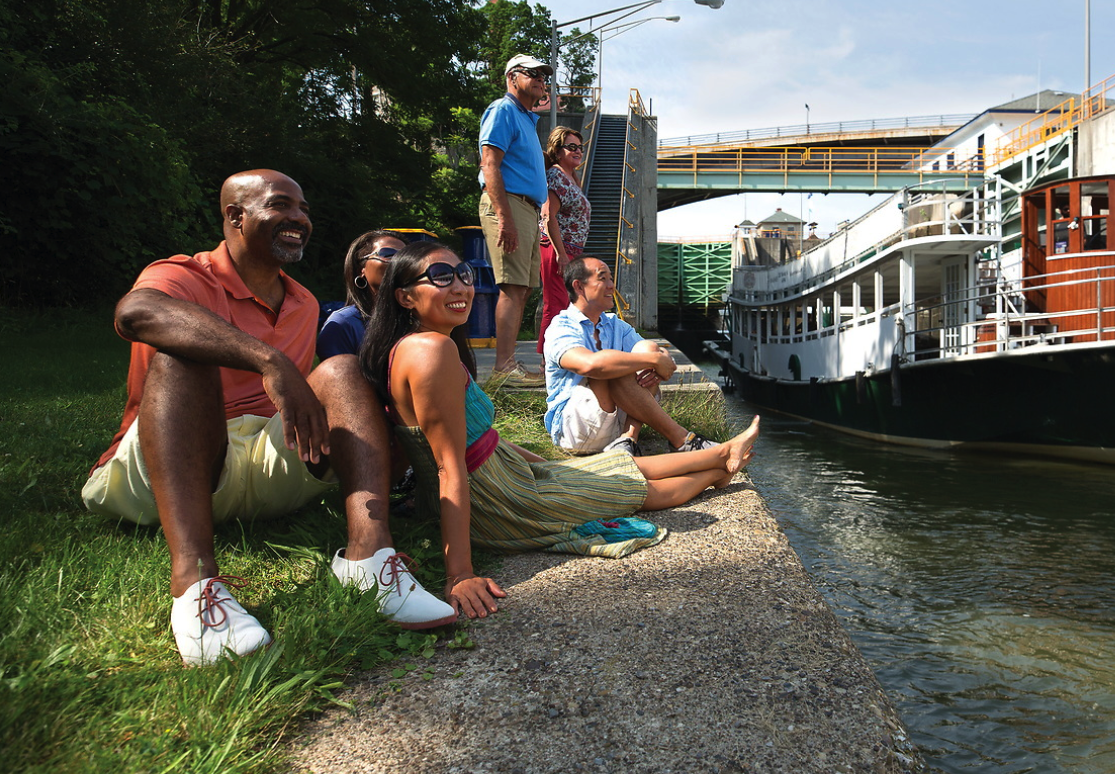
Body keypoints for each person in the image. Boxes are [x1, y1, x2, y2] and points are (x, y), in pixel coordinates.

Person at [81, 170, 455, 667]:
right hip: (167, 469)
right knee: (180, 356)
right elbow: (135, 312)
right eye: (281, 205)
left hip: (264, 459)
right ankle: (196, 589)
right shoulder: (184, 274)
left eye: (303, 209)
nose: (299, 218)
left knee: (342, 369)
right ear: (235, 216)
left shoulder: (301, 302)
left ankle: (370, 560)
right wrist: (268, 359)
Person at [358, 241, 760, 619]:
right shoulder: (432, 351)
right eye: (441, 276)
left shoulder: (417, 345)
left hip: (502, 473)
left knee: (594, 471)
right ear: (405, 296)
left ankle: (720, 455)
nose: (460, 285)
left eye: (462, 274)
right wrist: (459, 574)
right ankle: (718, 468)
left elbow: (473, 441)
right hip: (496, 499)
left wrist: (536, 465)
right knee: (621, 489)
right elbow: (449, 467)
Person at [543, 257, 719, 457]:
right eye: (603, 279)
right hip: (575, 429)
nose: (612, 285)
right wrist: (652, 361)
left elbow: (661, 359)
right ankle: (680, 438)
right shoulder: (561, 327)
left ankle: (628, 440)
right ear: (579, 287)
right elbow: (590, 366)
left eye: (611, 278)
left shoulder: (614, 324)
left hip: (616, 422)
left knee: (647, 347)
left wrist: (655, 361)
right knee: (611, 364)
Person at [478, 53, 552, 386]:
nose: (540, 79)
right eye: (533, 73)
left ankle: (508, 365)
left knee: (521, 289)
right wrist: (505, 218)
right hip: (509, 205)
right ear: (512, 77)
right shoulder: (503, 110)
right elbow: (490, 164)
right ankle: (503, 368)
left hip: (526, 208)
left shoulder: (526, 118)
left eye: (543, 76)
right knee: (511, 287)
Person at [537, 126, 591, 357]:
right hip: (558, 248)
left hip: (571, 250)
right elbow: (548, 217)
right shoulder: (557, 175)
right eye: (571, 147)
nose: (578, 151)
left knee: (567, 305)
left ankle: (562, 353)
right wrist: (561, 254)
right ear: (558, 151)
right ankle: (547, 360)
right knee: (556, 304)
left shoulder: (572, 177)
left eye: (580, 147)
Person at [317, 230, 407, 359]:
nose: (398, 262)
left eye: (405, 256)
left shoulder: (417, 321)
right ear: (361, 269)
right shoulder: (344, 324)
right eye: (388, 254)